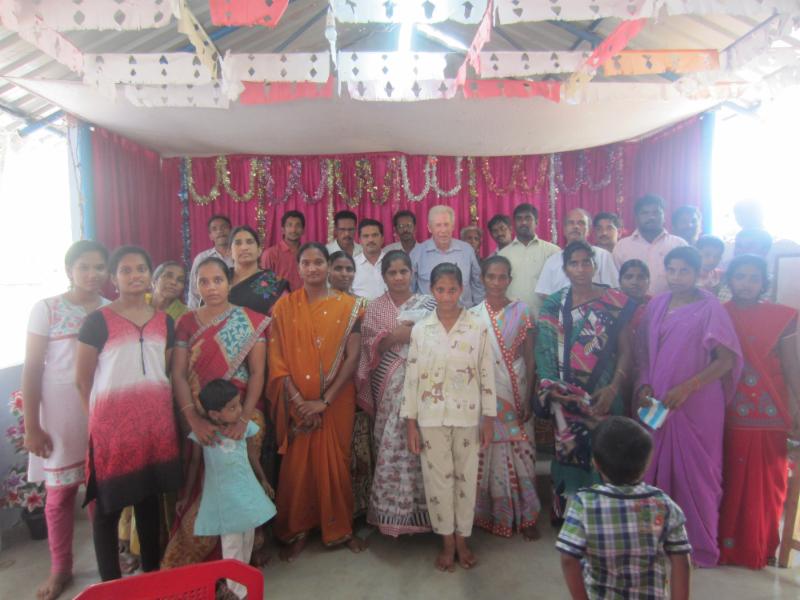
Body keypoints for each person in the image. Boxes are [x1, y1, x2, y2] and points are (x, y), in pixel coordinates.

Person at [75, 246, 182, 582]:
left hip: (155, 425)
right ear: (113, 278)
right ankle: (111, 584)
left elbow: (165, 367)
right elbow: (82, 380)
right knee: (109, 507)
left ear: (150, 275)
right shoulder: (97, 322)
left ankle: (151, 576)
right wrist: (98, 425)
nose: (135, 275)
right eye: (125, 270)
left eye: (140, 269)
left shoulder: (164, 320)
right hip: (112, 430)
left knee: (148, 502)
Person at [635, 246, 742, 568]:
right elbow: (643, 351)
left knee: (699, 475)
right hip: (658, 406)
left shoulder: (711, 308)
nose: (678, 277)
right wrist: (643, 384)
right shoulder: (657, 305)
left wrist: (688, 387)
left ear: (699, 274)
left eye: (685, 271)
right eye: (673, 270)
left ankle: (698, 545)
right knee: (652, 469)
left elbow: (726, 360)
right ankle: (655, 542)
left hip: (697, 406)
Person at [162, 257, 270, 569]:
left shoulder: (251, 319)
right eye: (204, 281)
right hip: (197, 411)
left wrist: (245, 417)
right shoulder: (186, 323)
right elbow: (179, 375)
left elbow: (259, 374)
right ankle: (201, 565)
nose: (211, 288)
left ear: (229, 282)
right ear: (195, 285)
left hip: (240, 412)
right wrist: (193, 418)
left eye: (218, 280)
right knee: (200, 480)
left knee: (242, 479)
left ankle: (244, 557)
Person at [267, 243, 367, 561]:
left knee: (337, 462)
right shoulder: (283, 309)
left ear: (328, 265)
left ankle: (340, 528)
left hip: (335, 400)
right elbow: (277, 359)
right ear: (297, 268)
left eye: (319, 262)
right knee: (297, 469)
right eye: (306, 263)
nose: (313, 268)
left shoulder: (350, 306)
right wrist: (299, 402)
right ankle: (298, 528)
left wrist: (324, 401)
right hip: (296, 402)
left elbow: (352, 359)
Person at [22, 240, 109, 600]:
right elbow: (31, 370)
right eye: (84, 267)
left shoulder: (109, 310)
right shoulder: (47, 309)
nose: (92, 274)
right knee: (59, 497)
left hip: (99, 412)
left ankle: (108, 562)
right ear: (69, 270)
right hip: (58, 417)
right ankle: (61, 568)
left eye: (99, 267)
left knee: (100, 493)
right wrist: (31, 426)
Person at [402, 263, 496, 572]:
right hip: (430, 418)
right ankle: (445, 540)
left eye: (452, 289)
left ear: (462, 289)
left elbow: (486, 373)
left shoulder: (477, 327)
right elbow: (412, 377)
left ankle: (462, 539)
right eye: (440, 290)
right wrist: (411, 423)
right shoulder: (421, 329)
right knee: (437, 480)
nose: (446, 296)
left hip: (468, 416)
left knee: (466, 478)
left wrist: (489, 418)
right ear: (431, 290)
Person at [535, 241, 635, 519]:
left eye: (586, 262)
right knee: (569, 451)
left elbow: (626, 349)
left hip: (604, 390)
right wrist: (553, 389)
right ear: (565, 268)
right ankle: (571, 513)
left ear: (595, 264)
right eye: (574, 263)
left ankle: (604, 513)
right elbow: (543, 348)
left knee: (606, 450)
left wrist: (614, 386)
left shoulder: (615, 301)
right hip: (564, 396)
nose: (581, 269)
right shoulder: (555, 303)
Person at [719, 255, 800, 569]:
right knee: (730, 476)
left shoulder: (782, 317)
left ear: (764, 282)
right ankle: (725, 546)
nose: (746, 283)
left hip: (771, 412)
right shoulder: (718, 313)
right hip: (729, 411)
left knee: (769, 481)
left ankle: (761, 545)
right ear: (731, 280)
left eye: (753, 277)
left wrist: (797, 409)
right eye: (740, 276)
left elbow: (792, 366)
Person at [557, 417, 691, 600]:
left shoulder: (584, 504)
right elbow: (681, 560)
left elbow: (568, 559)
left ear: (595, 463)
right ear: (646, 464)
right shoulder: (663, 504)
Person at [355, 250, 436, 537]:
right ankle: (394, 514)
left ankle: (430, 515)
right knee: (393, 442)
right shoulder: (375, 307)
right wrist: (396, 336)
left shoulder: (430, 303)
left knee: (425, 443)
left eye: (404, 271)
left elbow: (441, 340)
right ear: (384, 276)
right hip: (389, 383)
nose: (399, 277)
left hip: (426, 383)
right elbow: (369, 348)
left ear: (412, 273)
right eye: (393, 272)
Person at [470, 256, 541, 539]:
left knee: (522, 451)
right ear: (483, 279)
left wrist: (529, 392)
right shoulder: (473, 315)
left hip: (517, 387)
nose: (497, 283)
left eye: (502, 277)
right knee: (488, 450)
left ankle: (527, 514)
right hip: (487, 393)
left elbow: (529, 355)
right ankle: (491, 514)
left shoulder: (522, 311)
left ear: (509, 280)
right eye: (491, 277)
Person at [188, 379, 276, 599]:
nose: (240, 411)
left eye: (239, 404)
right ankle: (237, 592)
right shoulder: (205, 435)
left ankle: (241, 586)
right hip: (226, 503)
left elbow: (252, 456)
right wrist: (186, 495)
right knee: (232, 547)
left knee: (246, 542)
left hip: (246, 496)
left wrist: (263, 480)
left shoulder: (243, 430)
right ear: (215, 414)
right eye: (233, 408)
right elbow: (193, 465)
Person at [410, 205, 484, 307]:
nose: (443, 230)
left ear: (453, 226)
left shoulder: (467, 250)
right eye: (438, 225)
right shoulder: (417, 253)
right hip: (429, 318)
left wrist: (478, 311)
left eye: (446, 224)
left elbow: (477, 285)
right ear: (429, 228)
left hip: (464, 315)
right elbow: (410, 288)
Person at [535, 209, 619, 299]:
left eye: (581, 223)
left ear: (589, 230)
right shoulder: (552, 260)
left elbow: (613, 290)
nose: (575, 226)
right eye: (571, 223)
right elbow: (543, 293)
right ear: (564, 229)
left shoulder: (603, 256)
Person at [613, 195, 687, 296]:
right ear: (636, 217)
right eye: (645, 213)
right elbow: (616, 281)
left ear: (664, 216)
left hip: (671, 306)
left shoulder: (679, 245)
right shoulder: (622, 246)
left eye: (656, 212)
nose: (651, 217)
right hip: (632, 308)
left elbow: (686, 278)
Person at [498, 203, 560, 316]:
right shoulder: (502, 255)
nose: (523, 223)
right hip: (512, 319)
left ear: (536, 222)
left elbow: (560, 287)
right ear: (514, 224)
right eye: (519, 219)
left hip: (545, 317)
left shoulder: (553, 252)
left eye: (528, 218)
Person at [228, 225, 288, 316]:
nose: (244, 247)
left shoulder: (273, 282)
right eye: (238, 243)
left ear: (259, 250)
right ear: (230, 252)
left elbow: (285, 319)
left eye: (250, 242)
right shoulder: (220, 278)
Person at [188, 215, 233, 308]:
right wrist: (193, 315)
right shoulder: (202, 258)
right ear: (210, 236)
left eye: (223, 227)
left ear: (231, 231)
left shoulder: (240, 256)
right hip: (208, 310)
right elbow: (193, 291)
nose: (220, 231)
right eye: (214, 229)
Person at [261, 210, 305, 291]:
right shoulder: (270, 254)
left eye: (298, 226)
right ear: (283, 230)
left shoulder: (307, 253)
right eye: (289, 225)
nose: (293, 230)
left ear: (303, 230)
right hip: (280, 302)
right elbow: (265, 286)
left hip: (306, 301)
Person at [352, 218, 388, 300]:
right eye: (366, 236)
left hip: (393, 312)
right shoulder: (351, 265)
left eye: (375, 235)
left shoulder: (393, 262)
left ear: (382, 238)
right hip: (361, 312)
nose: (370, 239)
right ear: (359, 240)